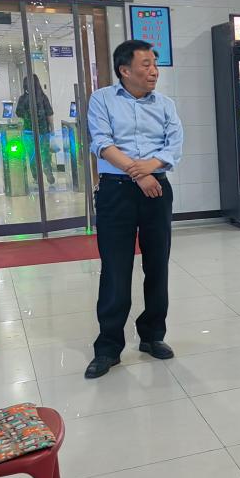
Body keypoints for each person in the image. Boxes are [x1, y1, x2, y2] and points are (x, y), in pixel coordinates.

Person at [84, 40, 183, 379]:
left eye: (155, 63)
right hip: (116, 191)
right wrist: (138, 174)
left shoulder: (166, 104)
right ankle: (108, 347)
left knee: (157, 265)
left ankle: (153, 335)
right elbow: (102, 143)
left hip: (157, 189)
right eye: (146, 64)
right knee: (115, 268)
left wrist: (148, 169)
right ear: (124, 70)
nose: (153, 71)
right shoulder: (102, 99)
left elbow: (174, 146)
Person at [15, 74, 55, 186]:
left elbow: (19, 113)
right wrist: (52, 128)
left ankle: (36, 177)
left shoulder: (23, 99)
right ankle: (47, 169)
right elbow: (49, 114)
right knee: (45, 153)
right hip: (43, 131)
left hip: (29, 131)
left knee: (32, 154)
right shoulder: (43, 97)